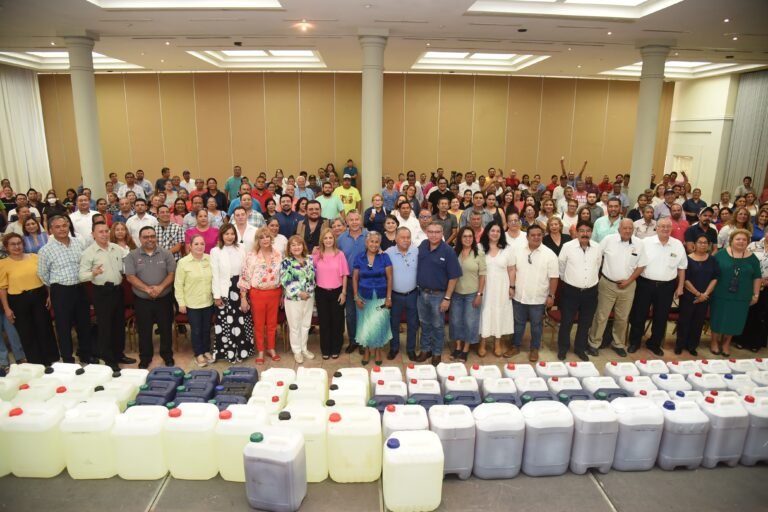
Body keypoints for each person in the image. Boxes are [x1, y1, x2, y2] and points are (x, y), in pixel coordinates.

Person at [37, 215, 94, 364]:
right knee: (63, 327)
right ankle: (68, 359)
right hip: (61, 292)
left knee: (84, 324)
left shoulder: (78, 243)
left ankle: (86, 354)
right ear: (50, 230)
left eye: (64, 225)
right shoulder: (45, 250)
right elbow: (43, 274)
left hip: (80, 289)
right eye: (57, 227)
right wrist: (56, 288)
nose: (62, 229)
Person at [627, 218, 687, 356]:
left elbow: (682, 268)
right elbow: (634, 262)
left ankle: (654, 344)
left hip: (667, 287)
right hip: (645, 284)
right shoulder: (645, 242)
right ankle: (634, 342)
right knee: (639, 315)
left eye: (668, 227)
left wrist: (680, 287)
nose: (665, 229)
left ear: (671, 229)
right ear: (657, 228)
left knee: (661, 317)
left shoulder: (677, 245)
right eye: (662, 226)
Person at [586, 219, 644, 358]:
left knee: (622, 317)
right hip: (608, 284)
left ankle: (618, 343)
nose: (628, 231)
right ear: (619, 229)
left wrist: (628, 281)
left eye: (631, 228)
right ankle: (594, 343)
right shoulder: (608, 240)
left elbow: (641, 266)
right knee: (601, 316)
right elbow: (597, 257)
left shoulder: (639, 244)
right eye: (625, 228)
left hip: (629, 286)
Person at [79, 221, 131, 371]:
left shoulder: (116, 248)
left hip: (117, 290)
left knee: (119, 325)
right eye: (100, 232)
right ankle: (109, 360)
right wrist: (93, 273)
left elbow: (129, 261)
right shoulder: (88, 253)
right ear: (93, 234)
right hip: (102, 293)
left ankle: (119, 354)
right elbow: (82, 276)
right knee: (105, 327)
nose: (104, 234)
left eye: (106, 231)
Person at [0, 233, 57, 365]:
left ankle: (51, 360)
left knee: (44, 327)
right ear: (7, 247)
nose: (16, 246)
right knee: (26, 332)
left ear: (23, 244)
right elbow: (2, 288)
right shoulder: (3, 264)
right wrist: (7, 308)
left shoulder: (35, 258)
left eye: (19, 243)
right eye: (12, 244)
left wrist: (49, 295)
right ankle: (35, 362)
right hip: (18, 300)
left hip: (39, 296)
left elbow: (45, 277)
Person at [124, 226, 177, 368]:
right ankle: (145, 357)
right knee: (144, 330)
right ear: (140, 239)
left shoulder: (166, 254)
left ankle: (167, 355)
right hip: (142, 300)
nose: (150, 239)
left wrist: (160, 288)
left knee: (166, 328)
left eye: (152, 236)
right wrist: (147, 289)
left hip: (164, 298)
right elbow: (130, 276)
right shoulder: (132, 256)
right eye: (146, 237)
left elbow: (171, 274)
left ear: (156, 237)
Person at [709, 228, 762, 357]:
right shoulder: (720, 254)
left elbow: (757, 277)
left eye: (744, 240)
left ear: (748, 242)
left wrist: (756, 294)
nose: (741, 242)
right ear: (731, 240)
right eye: (738, 239)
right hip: (720, 293)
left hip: (742, 295)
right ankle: (714, 342)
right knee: (717, 318)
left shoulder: (753, 258)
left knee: (735, 320)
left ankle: (726, 343)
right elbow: (711, 273)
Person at [416, 221, 461, 365]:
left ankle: (436, 353)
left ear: (442, 234)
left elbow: (454, 277)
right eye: (431, 232)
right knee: (424, 324)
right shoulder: (422, 246)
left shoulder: (448, 251)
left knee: (437, 325)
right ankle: (425, 350)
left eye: (437, 232)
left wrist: (447, 298)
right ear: (427, 233)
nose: (434, 235)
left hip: (439, 295)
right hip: (422, 293)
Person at [557, 220, 602, 361]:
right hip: (571, 291)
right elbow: (561, 267)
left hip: (590, 292)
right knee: (567, 321)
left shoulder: (597, 247)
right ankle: (563, 348)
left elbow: (598, 265)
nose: (585, 234)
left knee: (585, 322)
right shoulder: (567, 247)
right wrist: (570, 281)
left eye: (588, 231)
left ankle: (580, 348)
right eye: (582, 231)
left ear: (591, 232)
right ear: (576, 232)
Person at [210, 223, 254, 363]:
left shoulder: (241, 247)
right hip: (224, 290)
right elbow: (215, 275)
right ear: (222, 235)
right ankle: (229, 353)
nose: (230, 236)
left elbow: (246, 270)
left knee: (242, 320)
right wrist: (216, 296)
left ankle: (242, 351)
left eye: (232, 233)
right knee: (227, 323)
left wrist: (244, 290)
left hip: (241, 288)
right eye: (226, 234)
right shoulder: (215, 251)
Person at [239, 226, 283, 364]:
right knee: (258, 324)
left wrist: (282, 294)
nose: (265, 239)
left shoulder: (278, 254)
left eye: (267, 236)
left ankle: (271, 348)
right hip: (257, 293)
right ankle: (261, 350)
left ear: (272, 238)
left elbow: (282, 275)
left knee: (272, 323)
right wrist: (243, 298)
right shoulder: (251, 256)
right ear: (257, 240)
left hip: (275, 292)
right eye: (261, 237)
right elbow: (245, 277)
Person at [675, 234, 720, 356]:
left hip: (705, 297)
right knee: (684, 321)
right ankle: (680, 345)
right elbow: (684, 278)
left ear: (709, 245)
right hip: (689, 296)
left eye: (705, 243)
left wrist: (704, 294)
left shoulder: (713, 260)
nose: (703, 245)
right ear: (694, 244)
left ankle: (692, 346)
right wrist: (697, 293)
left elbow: (715, 278)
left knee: (698, 322)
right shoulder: (687, 259)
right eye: (700, 242)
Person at [174, 233, 214, 367]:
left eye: (202, 244)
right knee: (196, 330)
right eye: (196, 244)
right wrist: (181, 303)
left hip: (208, 301)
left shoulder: (209, 259)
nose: (199, 246)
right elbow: (178, 284)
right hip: (192, 303)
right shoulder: (183, 262)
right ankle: (198, 354)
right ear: (190, 246)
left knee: (206, 329)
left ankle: (206, 350)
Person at [352, 231, 393, 366]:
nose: (374, 244)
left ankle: (378, 350)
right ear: (366, 243)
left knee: (379, 323)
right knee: (366, 325)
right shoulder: (360, 258)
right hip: (364, 296)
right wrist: (356, 297)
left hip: (381, 297)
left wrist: (388, 297)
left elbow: (390, 278)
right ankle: (368, 350)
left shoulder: (385, 257)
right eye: (371, 241)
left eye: (376, 242)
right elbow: (355, 278)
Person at [449, 226, 486, 361]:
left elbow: (482, 275)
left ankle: (466, 349)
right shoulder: (454, 252)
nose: (468, 239)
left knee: (470, 322)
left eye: (470, 236)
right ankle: (458, 347)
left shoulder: (479, 253)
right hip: (456, 293)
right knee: (456, 321)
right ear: (460, 238)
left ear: (474, 238)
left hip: (472, 294)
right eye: (464, 236)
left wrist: (479, 295)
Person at [478, 221, 514, 358]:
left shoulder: (508, 248)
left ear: (501, 234)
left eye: (498, 231)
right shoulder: (480, 247)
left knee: (499, 311)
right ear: (487, 232)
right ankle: (482, 341)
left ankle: (497, 342)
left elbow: (511, 269)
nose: (495, 233)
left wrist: (512, 286)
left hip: (501, 286)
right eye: (492, 230)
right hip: (484, 285)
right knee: (484, 311)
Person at [313, 228, 349, 359]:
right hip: (321, 292)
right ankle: (325, 349)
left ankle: (336, 348)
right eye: (325, 238)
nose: (328, 240)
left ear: (334, 239)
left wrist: (344, 293)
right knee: (324, 321)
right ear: (322, 240)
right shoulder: (317, 256)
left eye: (330, 238)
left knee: (337, 321)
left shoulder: (340, 255)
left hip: (337, 292)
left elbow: (345, 274)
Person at [385, 226, 420, 361]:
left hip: (412, 294)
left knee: (412, 323)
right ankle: (394, 348)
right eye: (402, 238)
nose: (406, 240)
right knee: (394, 323)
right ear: (396, 239)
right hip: (395, 295)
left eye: (408, 238)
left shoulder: (416, 251)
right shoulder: (389, 252)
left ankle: (410, 349)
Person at [280, 236, 316, 364]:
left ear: (303, 246)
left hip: (309, 298)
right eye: (293, 245)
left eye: (299, 244)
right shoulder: (286, 262)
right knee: (295, 326)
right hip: (293, 299)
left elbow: (313, 278)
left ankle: (304, 348)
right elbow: (285, 280)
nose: (296, 247)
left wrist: (309, 292)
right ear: (289, 248)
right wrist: (299, 293)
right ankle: (297, 351)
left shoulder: (309, 259)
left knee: (306, 324)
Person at [338, 210, 368, 354]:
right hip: (348, 281)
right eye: (351, 220)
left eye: (357, 219)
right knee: (350, 313)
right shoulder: (341, 238)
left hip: (366, 280)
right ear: (347, 222)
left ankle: (363, 341)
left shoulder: (369, 235)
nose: (354, 222)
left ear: (361, 220)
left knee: (364, 312)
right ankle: (353, 341)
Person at [734, 235, 768, 352]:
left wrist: (765, 281)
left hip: (766, 286)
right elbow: (744, 261)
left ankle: (755, 342)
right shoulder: (753, 245)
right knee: (746, 313)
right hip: (749, 283)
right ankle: (740, 340)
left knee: (761, 316)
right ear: (765, 232)